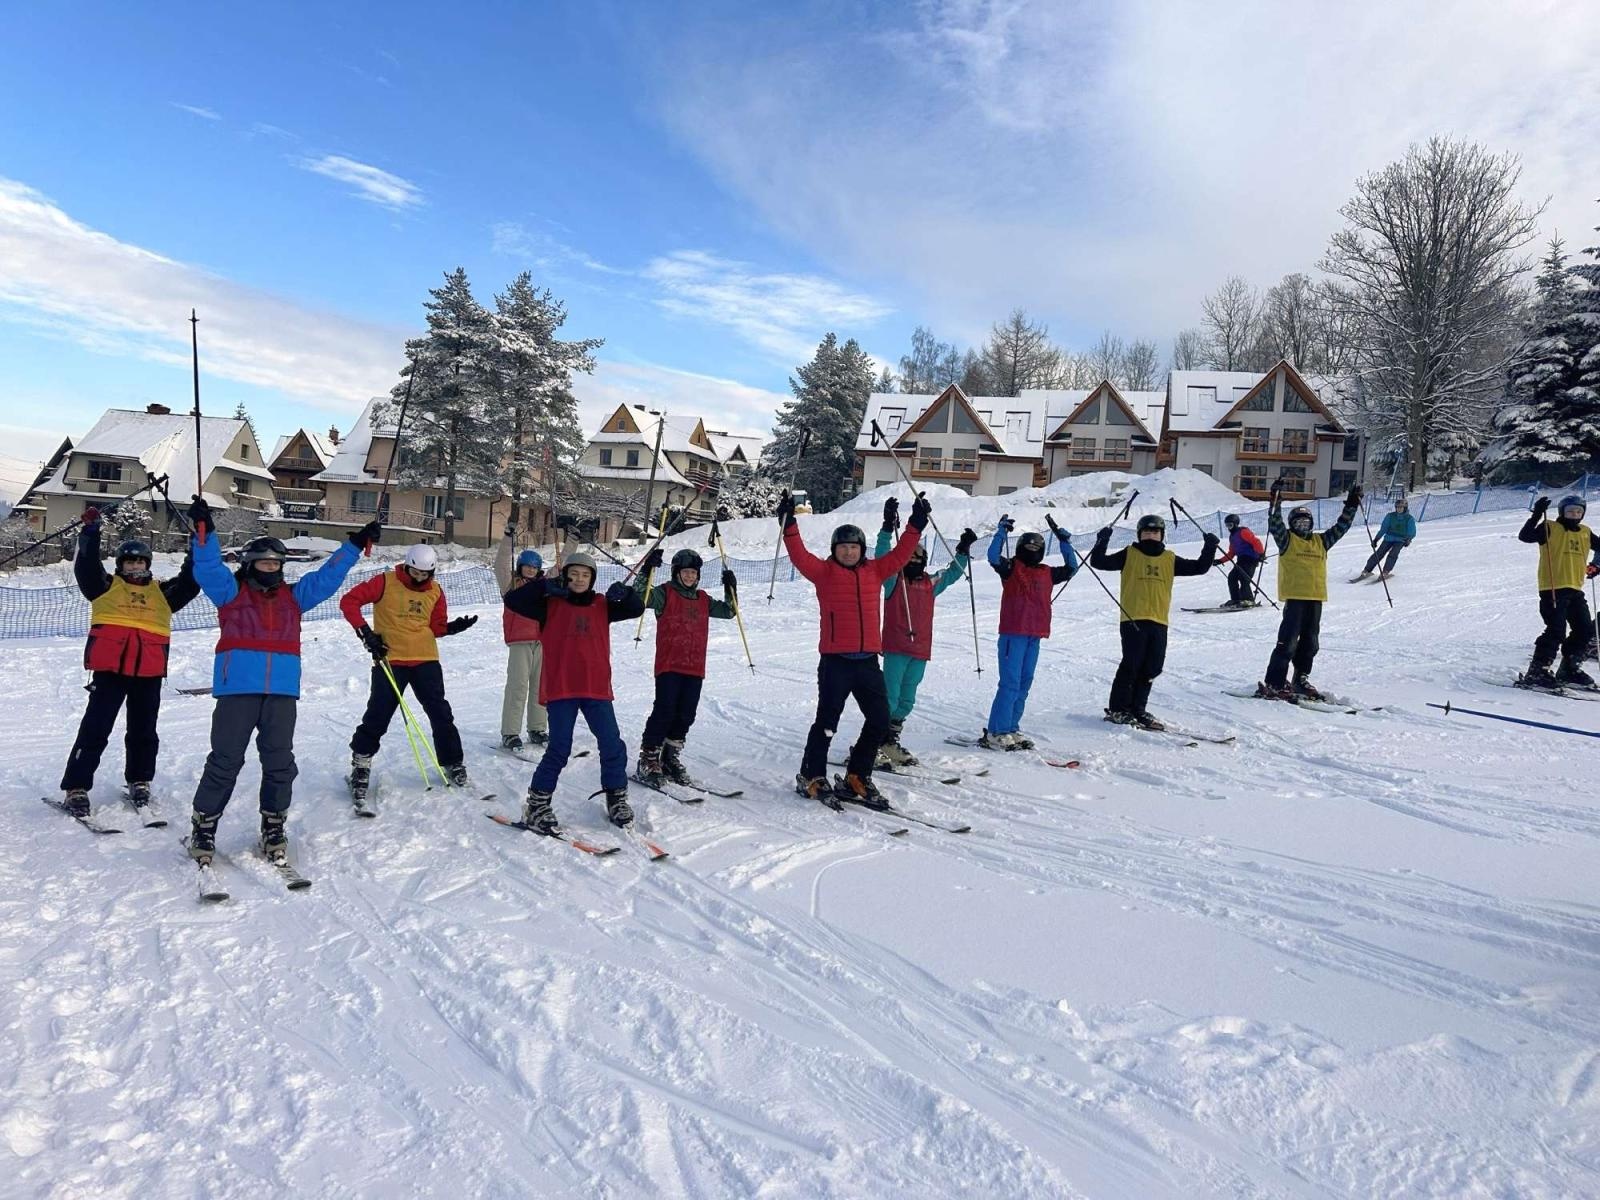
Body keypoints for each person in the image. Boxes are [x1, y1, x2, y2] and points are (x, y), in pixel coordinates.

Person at [185, 496, 377, 865]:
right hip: (238, 690)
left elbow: (326, 578)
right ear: (249, 566)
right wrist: (203, 533)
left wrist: (353, 546)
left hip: (281, 694)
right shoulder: (232, 595)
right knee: (225, 760)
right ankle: (204, 825)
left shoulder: (293, 598)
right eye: (264, 563)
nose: (271, 569)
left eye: (276, 563)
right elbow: (208, 570)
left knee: (279, 763)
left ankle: (274, 823)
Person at [782, 488, 928, 809]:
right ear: (835, 549)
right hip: (836, 662)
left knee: (879, 719)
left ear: (862, 549)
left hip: (866, 663)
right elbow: (798, 555)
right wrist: (788, 523)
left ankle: (856, 776)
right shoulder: (824, 572)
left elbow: (901, 554)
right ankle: (811, 776)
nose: (848, 552)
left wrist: (915, 524)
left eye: (854, 547)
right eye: (843, 547)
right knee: (827, 723)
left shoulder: (874, 571)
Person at [56, 508, 199, 818]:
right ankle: (76, 787)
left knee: (144, 731)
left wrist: (197, 546)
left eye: (140, 561)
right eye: (129, 561)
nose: (135, 566)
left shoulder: (164, 594)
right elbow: (85, 566)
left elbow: (191, 581)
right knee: (95, 729)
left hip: (148, 672)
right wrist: (91, 531)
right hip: (110, 672)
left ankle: (140, 780)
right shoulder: (104, 587)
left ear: (147, 564)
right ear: (120, 565)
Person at [501, 551, 644, 830]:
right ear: (565, 576)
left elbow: (636, 608)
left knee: (612, 743)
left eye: (586, 575)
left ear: (592, 579)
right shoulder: (549, 603)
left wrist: (626, 594)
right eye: (574, 574)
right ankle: (537, 804)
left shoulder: (604, 604)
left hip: (596, 688)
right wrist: (544, 586)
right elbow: (512, 600)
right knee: (559, 748)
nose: (579, 579)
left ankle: (616, 797)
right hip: (562, 688)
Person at [342, 544, 478, 798]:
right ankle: (361, 763)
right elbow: (349, 602)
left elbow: (435, 627)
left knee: (440, 713)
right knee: (379, 714)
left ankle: (453, 761)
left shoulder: (435, 591)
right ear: (407, 566)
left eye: (425, 574)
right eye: (414, 573)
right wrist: (367, 634)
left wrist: (452, 627)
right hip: (390, 658)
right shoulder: (385, 582)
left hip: (426, 659)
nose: (419, 578)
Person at [1090, 514, 1218, 729]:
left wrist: (1210, 547)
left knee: (1152, 667)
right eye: (1146, 532)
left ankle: (1137, 708)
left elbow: (1200, 567)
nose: (1151, 536)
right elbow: (1098, 562)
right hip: (1133, 617)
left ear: (1161, 535)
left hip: (1159, 619)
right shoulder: (1129, 554)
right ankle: (1118, 709)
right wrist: (1102, 540)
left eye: (1155, 532)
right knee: (1131, 664)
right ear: (1140, 535)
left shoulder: (1169, 558)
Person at [873, 496, 976, 766]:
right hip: (897, 648)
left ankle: (890, 740)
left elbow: (952, 574)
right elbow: (882, 556)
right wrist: (887, 527)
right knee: (890, 698)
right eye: (911, 555)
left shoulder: (931, 584)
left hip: (920, 651)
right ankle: (874, 741)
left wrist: (963, 550)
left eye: (920, 557)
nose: (915, 559)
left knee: (907, 701)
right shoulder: (894, 581)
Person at [631, 546, 739, 786]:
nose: (690, 577)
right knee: (665, 709)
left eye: (694, 573)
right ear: (676, 573)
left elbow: (730, 612)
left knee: (686, 713)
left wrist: (730, 588)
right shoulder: (665, 593)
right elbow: (641, 598)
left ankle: (669, 756)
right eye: (685, 572)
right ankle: (648, 756)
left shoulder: (703, 599)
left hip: (694, 666)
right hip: (669, 664)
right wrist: (647, 569)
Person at [1255, 482, 1362, 701]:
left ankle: (1300, 678)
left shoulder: (1321, 541)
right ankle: (1275, 681)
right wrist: (1275, 501)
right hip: (1295, 598)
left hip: (1315, 598)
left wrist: (1351, 505)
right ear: (1292, 525)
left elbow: (1341, 527)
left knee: (1311, 643)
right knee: (1288, 642)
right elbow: (1274, 523)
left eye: (1306, 522)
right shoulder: (1287, 540)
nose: (1303, 526)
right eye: (1298, 522)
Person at [980, 517, 1076, 749]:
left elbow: (1072, 568)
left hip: (1035, 634)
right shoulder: (1012, 568)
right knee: (1010, 683)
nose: (1032, 551)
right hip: (1013, 634)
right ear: (1020, 549)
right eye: (1028, 547)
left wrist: (1065, 543)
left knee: (1024, 682)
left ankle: (1011, 727)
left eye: (1037, 548)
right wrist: (1001, 532)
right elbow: (993, 557)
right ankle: (997, 731)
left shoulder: (1047, 572)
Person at [1518, 493, 1600, 688]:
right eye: (1570, 511)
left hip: (1575, 588)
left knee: (1585, 630)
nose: (1574, 514)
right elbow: (1525, 536)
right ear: (1562, 511)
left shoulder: (1585, 532)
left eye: (1578, 511)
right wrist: (1537, 514)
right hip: (1552, 588)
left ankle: (1569, 669)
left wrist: (1596, 566)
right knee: (1556, 630)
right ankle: (1537, 671)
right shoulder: (1550, 527)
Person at [494, 522, 548, 751]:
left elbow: (562, 567)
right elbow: (500, 565)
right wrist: (508, 538)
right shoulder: (511, 585)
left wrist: (572, 541)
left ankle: (537, 728)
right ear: (520, 567)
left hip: (542, 641)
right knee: (517, 687)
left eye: (534, 568)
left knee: (540, 687)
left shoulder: (545, 587)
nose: (530, 571)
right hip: (519, 641)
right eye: (526, 567)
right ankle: (510, 732)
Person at [1354, 496, 1417, 580]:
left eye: (1401, 507)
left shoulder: (1409, 519)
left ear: (1405, 508)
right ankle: (1367, 570)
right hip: (1389, 538)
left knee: (1393, 554)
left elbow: (1412, 532)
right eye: (1397, 507)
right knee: (1379, 553)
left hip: (1400, 540)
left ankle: (1385, 571)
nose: (1399, 509)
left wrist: (1408, 540)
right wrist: (1376, 539)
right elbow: (1383, 529)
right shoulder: (1390, 516)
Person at [1217, 513, 1265, 608]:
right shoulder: (1232, 537)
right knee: (1232, 577)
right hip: (1241, 560)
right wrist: (1220, 561)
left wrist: (1261, 554)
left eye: (1230, 525)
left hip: (1251, 559)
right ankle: (1236, 599)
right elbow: (1232, 552)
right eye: (1227, 525)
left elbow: (1256, 542)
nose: (1229, 528)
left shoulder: (1243, 532)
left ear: (1236, 524)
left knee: (1244, 578)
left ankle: (1249, 600)